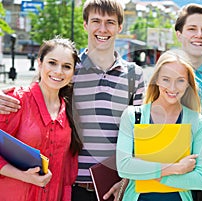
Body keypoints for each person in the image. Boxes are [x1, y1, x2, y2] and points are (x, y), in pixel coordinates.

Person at [0, 1, 145, 201]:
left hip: (115, 185)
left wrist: (129, 178)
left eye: (110, 22)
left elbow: (141, 133)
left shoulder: (134, 75)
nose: (102, 29)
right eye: (96, 21)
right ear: (85, 24)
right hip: (70, 185)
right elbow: (33, 97)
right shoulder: (69, 69)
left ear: (120, 27)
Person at [116, 49, 202, 201]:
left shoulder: (197, 122)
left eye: (180, 80)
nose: (172, 88)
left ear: (188, 83)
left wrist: (150, 174)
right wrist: (175, 169)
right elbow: (124, 167)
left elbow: (201, 180)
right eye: (166, 79)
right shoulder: (133, 116)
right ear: (157, 80)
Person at [0, 36, 83, 201]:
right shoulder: (14, 101)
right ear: (40, 63)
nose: (58, 71)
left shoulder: (70, 113)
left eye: (66, 66)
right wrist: (24, 176)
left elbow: (66, 173)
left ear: (73, 73)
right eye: (52, 63)